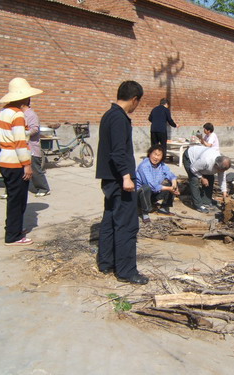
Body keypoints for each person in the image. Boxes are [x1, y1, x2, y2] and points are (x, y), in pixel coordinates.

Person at [95, 80, 148, 285]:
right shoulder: (118, 118)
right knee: (127, 225)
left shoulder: (109, 115)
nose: (137, 106)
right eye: (138, 103)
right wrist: (126, 177)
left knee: (109, 220)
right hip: (119, 180)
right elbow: (118, 151)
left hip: (110, 179)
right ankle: (127, 271)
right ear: (134, 99)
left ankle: (106, 262)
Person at [0, 77, 42, 246]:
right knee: (18, 200)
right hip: (15, 163)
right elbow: (20, 142)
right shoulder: (17, 115)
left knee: (12, 198)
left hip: (5, 161)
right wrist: (27, 165)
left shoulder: (4, 112)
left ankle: (13, 228)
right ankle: (13, 236)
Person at [136, 144, 179, 223]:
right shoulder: (144, 166)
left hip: (152, 194)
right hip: (140, 195)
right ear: (150, 153)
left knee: (171, 182)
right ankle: (145, 212)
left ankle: (163, 208)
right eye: (154, 154)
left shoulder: (162, 165)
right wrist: (169, 189)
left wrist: (174, 184)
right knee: (146, 188)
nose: (156, 157)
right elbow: (151, 186)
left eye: (159, 155)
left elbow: (171, 174)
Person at [182, 145, 231, 213]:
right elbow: (193, 169)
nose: (221, 172)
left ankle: (206, 201)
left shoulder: (222, 164)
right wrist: (202, 178)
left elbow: (222, 178)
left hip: (201, 163)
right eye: (220, 170)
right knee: (194, 180)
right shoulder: (206, 161)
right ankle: (197, 205)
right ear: (216, 165)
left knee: (210, 178)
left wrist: (224, 192)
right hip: (190, 157)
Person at [22, 99, 50, 197]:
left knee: (35, 169)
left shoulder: (31, 115)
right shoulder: (21, 114)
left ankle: (44, 188)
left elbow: (34, 129)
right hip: (23, 147)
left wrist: (21, 133)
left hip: (32, 147)